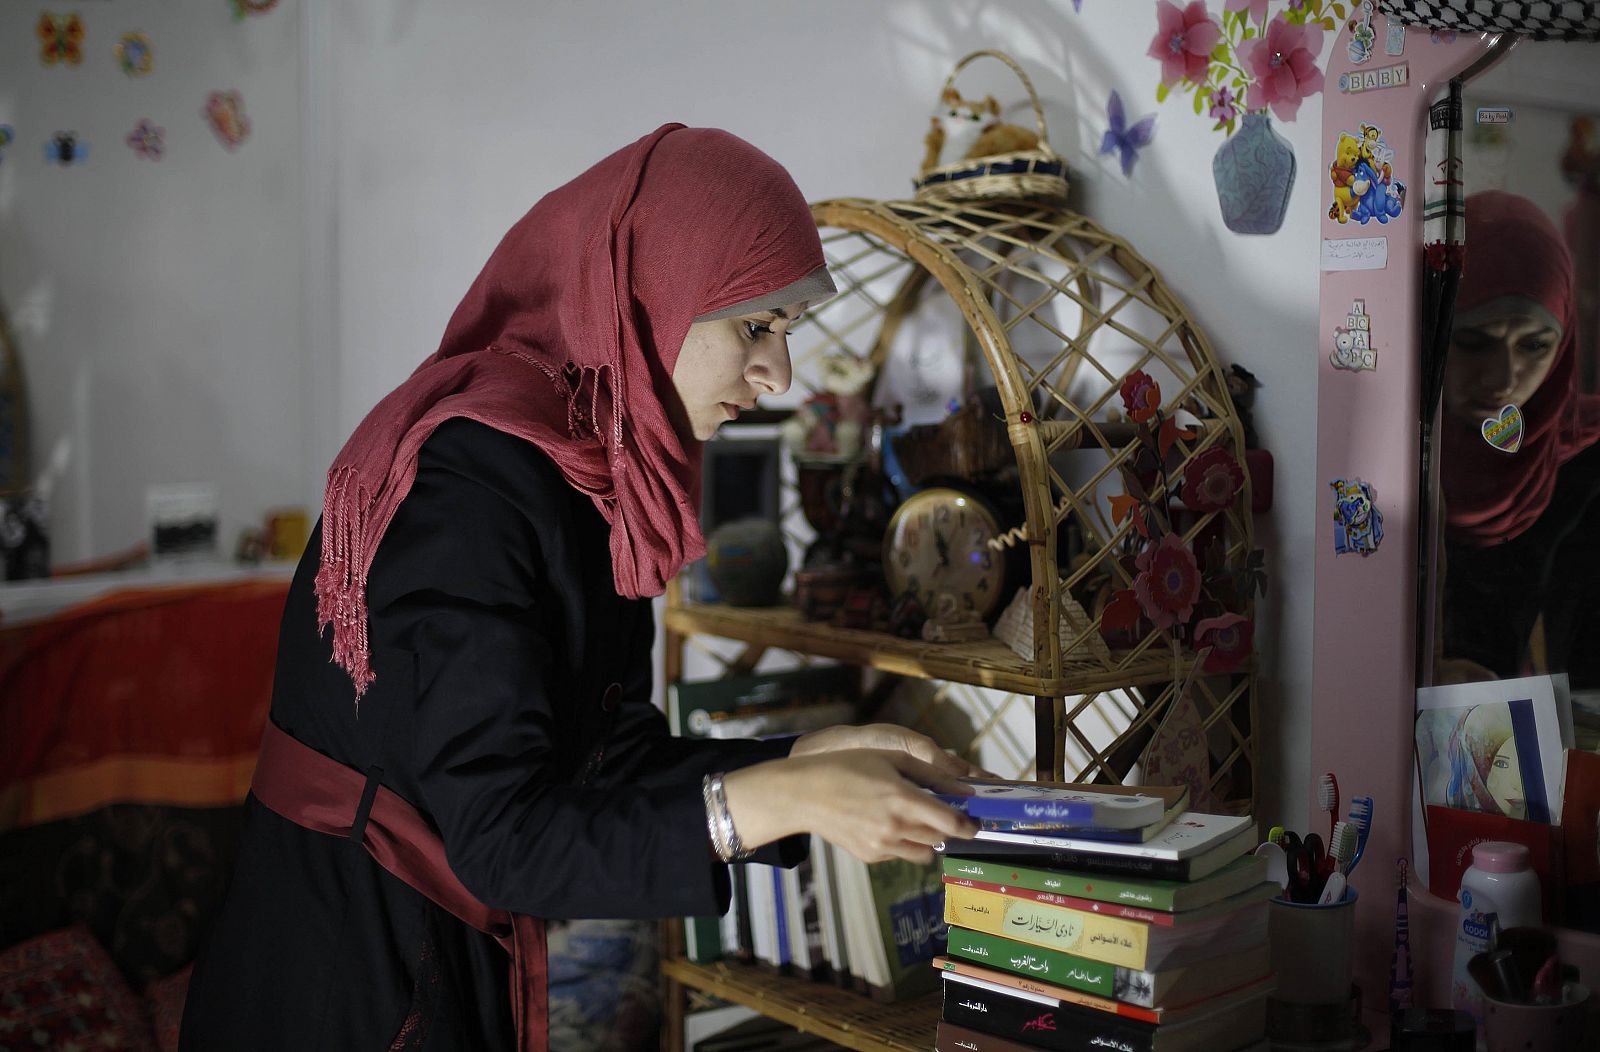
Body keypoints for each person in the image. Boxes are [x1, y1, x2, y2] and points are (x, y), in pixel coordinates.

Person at [179, 124, 982, 1051]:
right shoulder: (469, 486)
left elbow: (599, 761)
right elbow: (506, 837)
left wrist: (805, 762)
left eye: (788, 332)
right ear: (652, 296)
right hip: (348, 980)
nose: (779, 374)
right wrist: (787, 804)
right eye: (755, 327)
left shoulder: (585, 468)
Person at [1438, 190, 1600, 690]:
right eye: (1472, 341)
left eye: (1534, 345)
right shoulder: (1378, 451)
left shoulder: (1586, 456)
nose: (1504, 379)